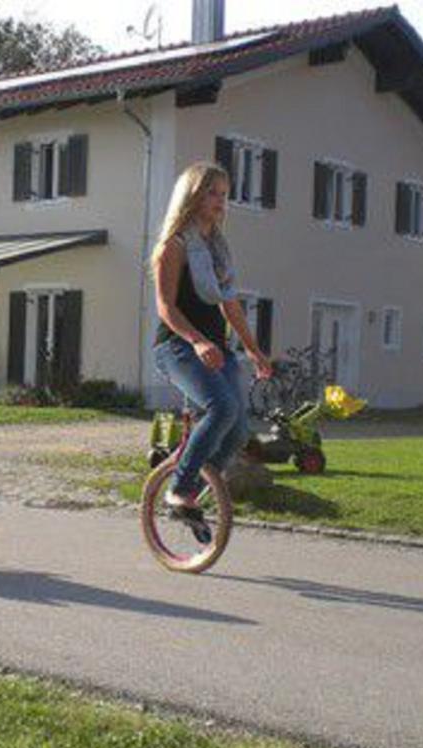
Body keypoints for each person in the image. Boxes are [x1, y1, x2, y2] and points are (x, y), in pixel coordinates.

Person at [151, 161, 273, 530]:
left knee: (237, 429)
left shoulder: (218, 249)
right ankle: (179, 488)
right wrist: (198, 341)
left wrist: (253, 349)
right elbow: (166, 307)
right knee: (221, 407)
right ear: (192, 196)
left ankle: (196, 487)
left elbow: (230, 303)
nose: (221, 201)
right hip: (177, 347)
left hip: (216, 349)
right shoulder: (174, 246)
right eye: (212, 193)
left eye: (224, 193)